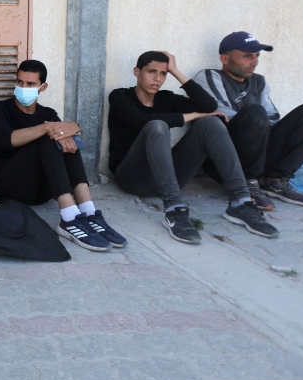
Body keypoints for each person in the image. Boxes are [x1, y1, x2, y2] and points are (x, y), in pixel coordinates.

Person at [107, 51, 278, 244]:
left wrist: (175, 70)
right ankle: (174, 209)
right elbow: (140, 120)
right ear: (137, 72)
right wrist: (192, 116)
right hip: (131, 178)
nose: (157, 78)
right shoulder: (120, 96)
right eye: (151, 72)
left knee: (211, 123)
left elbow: (208, 104)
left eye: (163, 73)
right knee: (157, 125)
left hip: (166, 178)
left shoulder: (166, 98)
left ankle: (240, 202)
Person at [0, 60, 127, 252]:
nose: (23, 87)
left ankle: (88, 211)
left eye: (30, 84)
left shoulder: (48, 113)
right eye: (20, 82)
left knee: (68, 141)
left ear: (42, 87)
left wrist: (76, 128)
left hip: (42, 191)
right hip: (11, 184)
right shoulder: (0, 108)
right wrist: (47, 127)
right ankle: (69, 218)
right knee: (51, 138)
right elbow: (6, 140)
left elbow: (66, 138)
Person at [194, 31, 303, 209]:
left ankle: (274, 179)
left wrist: (264, 126)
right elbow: (223, 116)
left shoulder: (259, 82)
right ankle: (246, 184)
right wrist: (255, 118)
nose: (255, 62)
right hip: (224, 160)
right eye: (247, 56)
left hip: (258, 156)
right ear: (225, 58)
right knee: (256, 114)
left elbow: (272, 118)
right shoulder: (210, 77)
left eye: (257, 56)